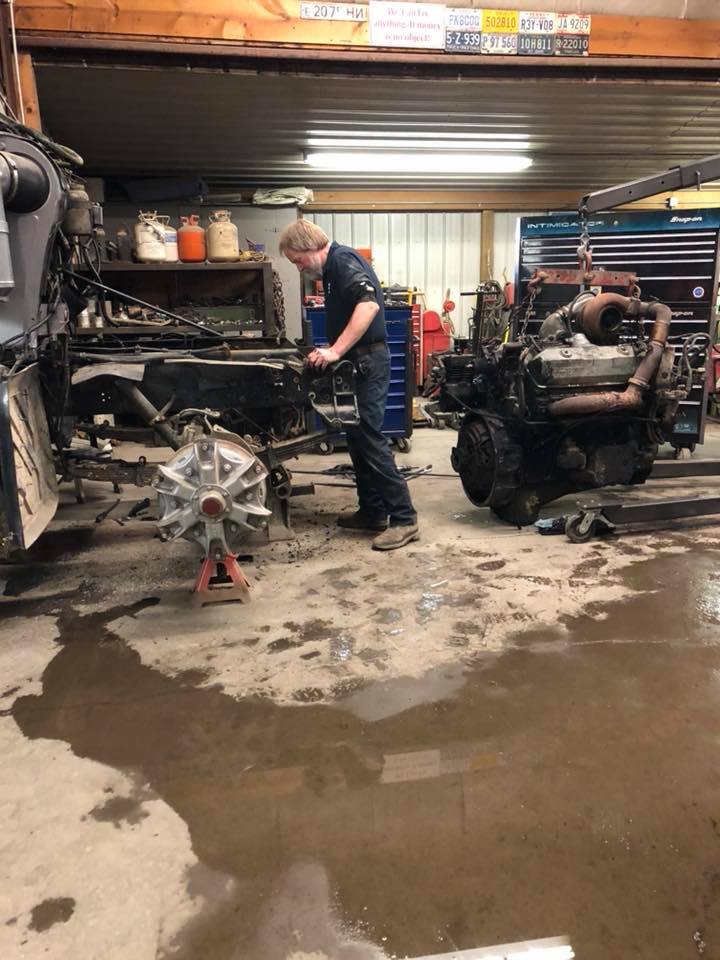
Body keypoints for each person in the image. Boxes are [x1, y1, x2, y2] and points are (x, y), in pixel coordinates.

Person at [279, 219, 419, 551]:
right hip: (357, 362)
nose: (299, 268)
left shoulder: (343, 261)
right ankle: (373, 511)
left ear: (310, 246)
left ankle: (404, 519)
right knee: (356, 439)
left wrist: (335, 350)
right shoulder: (331, 270)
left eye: (298, 260)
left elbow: (368, 305)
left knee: (369, 438)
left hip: (368, 362)